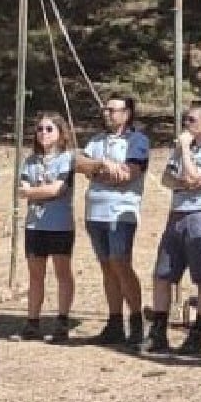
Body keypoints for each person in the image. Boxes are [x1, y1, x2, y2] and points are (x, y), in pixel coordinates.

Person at [145, 101, 201, 356]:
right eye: (185, 120)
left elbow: (195, 177)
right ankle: (158, 332)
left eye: (191, 120)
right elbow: (167, 178)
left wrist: (184, 151)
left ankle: (198, 333)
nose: (186, 125)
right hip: (176, 214)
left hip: (199, 216)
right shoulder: (185, 148)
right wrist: (184, 181)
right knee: (162, 275)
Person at [72, 96, 150, 347]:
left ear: (126, 114)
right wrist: (101, 165)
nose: (106, 113)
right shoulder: (96, 141)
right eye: (105, 109)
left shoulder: (136, 141)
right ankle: (114, 322)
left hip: (120, 214)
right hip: (94, 213)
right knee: (106, 266)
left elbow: (127, 174)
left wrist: (97, 172)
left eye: (112, 110)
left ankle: (137, 322)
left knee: (121, 264)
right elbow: (77, 163)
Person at [15, 112, 77, 344]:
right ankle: (32, 322)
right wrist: (36, 191)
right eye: (40, 129)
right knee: (35, 275)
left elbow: (56, 190)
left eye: (49, 129)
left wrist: (34, 192)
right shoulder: (30, 161)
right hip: (35, 225)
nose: (43, 133)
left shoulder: (67, 159)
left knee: (62, 272)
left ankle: (62, 320)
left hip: (59, 225)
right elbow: (22, 190)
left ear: (60, 133)